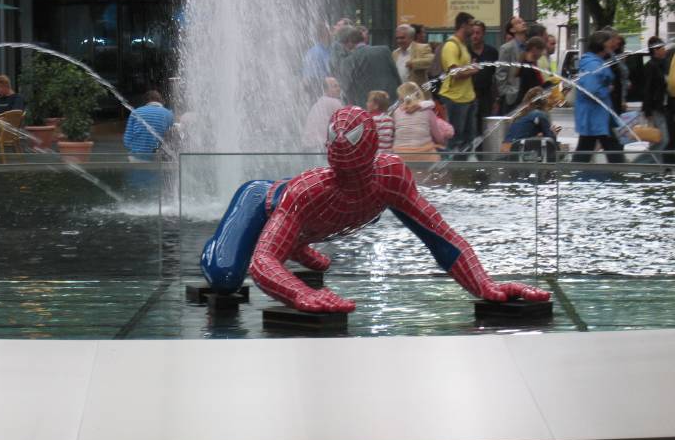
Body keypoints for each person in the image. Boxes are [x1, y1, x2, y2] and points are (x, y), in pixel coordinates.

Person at [200, 106, 549, 312]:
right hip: (258, 201)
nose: (340, 149)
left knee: (306, 249)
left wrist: (484, 285)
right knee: (225, 279)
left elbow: (439, 236)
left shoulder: (391, 177)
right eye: (334, 141)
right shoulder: (309, 191)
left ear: (369, 147)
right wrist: (302, 295)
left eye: (348, 141)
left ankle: (297, 245)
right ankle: (228, 247)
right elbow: (262, 263)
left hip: (304, 218)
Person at [573, 31, 624, 164]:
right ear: (601, 44)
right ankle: (620, 175)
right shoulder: (593, 64)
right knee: (609, 148)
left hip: (597, 116)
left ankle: (573, 174)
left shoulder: (594, 61)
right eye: (609, 41)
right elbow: (590, 89)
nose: (611, 44)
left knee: (587, 148)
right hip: (595, 115)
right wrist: (607, 90)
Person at [439, 12, 478, 157]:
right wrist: (473, 70)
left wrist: (470, 67)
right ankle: (453, 172)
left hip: (467, 98)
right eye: (471, 24)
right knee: (455, 141)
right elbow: (455, 72)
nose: (474, 28)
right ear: (463, 25)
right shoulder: (451, 45)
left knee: (468, 141)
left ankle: (464, 171)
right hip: (455, 99)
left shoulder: (462, 45)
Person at [339, 27, 402, 109]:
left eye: (344, 44)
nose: (344, 47)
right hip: (391, 103)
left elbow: (347, 88)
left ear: (349, 42)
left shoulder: (348, 61)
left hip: (368, 107)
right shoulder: (384, 50)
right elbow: (396, 75)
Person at [392, 82, 452, 162]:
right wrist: (444, 141)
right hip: (423, 153)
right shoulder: (427, 111)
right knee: (446, 153)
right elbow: (438, 138)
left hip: (399, 155)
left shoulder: (396, 112)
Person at [501, 87, 560, 159]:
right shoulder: (539, 114)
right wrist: (553, 134)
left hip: (506, 153)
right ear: (544, 102)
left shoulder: (519, 116)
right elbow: (551, 142)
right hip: (520, 155)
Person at [639, 36, 669, 157]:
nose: (665, 50)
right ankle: (643, 163)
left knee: (657, 139)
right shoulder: (651, 66)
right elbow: (647, 90)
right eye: (662, 48)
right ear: (655, 50)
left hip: (661, 106)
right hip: (655, 108)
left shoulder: (662, 65)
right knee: (662, 139)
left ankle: (656, 167)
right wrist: (648, 111)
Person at [468, 19, 499, 135]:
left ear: (483, 34)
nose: (474, 36)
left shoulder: (492, 52)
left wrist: (496, 99)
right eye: (472, 33)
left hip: (486, 95)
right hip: (470, 94)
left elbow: (495, 76)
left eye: (478, 33)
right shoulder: (466, 51)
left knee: (485, 126)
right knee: (471, 125)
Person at [123, 90, 174, 160]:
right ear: (160, 100)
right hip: (158, 158)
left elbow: (127, 140)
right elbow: (171, 138)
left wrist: (138, 148)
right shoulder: (168, 114)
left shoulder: (136, 112)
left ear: (145, 101)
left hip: (137, 157)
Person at [495, 15, 528, 114]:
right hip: (513, 97)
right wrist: (507, 93)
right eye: (518, 22)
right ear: (512, 30)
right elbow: (500, 73)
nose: (523, 23)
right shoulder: (507, 48)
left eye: (523, 21)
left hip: (527, 96)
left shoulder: (528, 47)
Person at [302, 77, 344, 151]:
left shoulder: (318, 103)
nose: (338, 89)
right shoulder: (334, 102)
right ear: (326, 90)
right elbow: (346, 123)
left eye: (338, 86)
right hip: (320, 146)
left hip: (307, 146)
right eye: (335, 86)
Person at [392, 24, 434, 96]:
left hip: (419, 95)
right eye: (397, 38)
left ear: (411, 38)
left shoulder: (422, 48)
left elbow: (431, 61)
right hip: (401, 95)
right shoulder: (395, 53)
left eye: (402, 38)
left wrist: (413, 63)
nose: (399, 41)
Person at [514, 36, 547, 112]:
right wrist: (549, 84)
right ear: (534, 49)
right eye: (541, 51)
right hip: (527, 105)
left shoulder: (530, 64)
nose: (542, 54)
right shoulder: (528, 68)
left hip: (527, 104)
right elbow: (533, 87)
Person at [301, 22, 331, 97]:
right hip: (319, 85)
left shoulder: (312, 51)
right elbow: (329, 69)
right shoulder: (319, 51)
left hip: (315, 84)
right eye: (329, 32)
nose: (331, 34)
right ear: (325, 34)